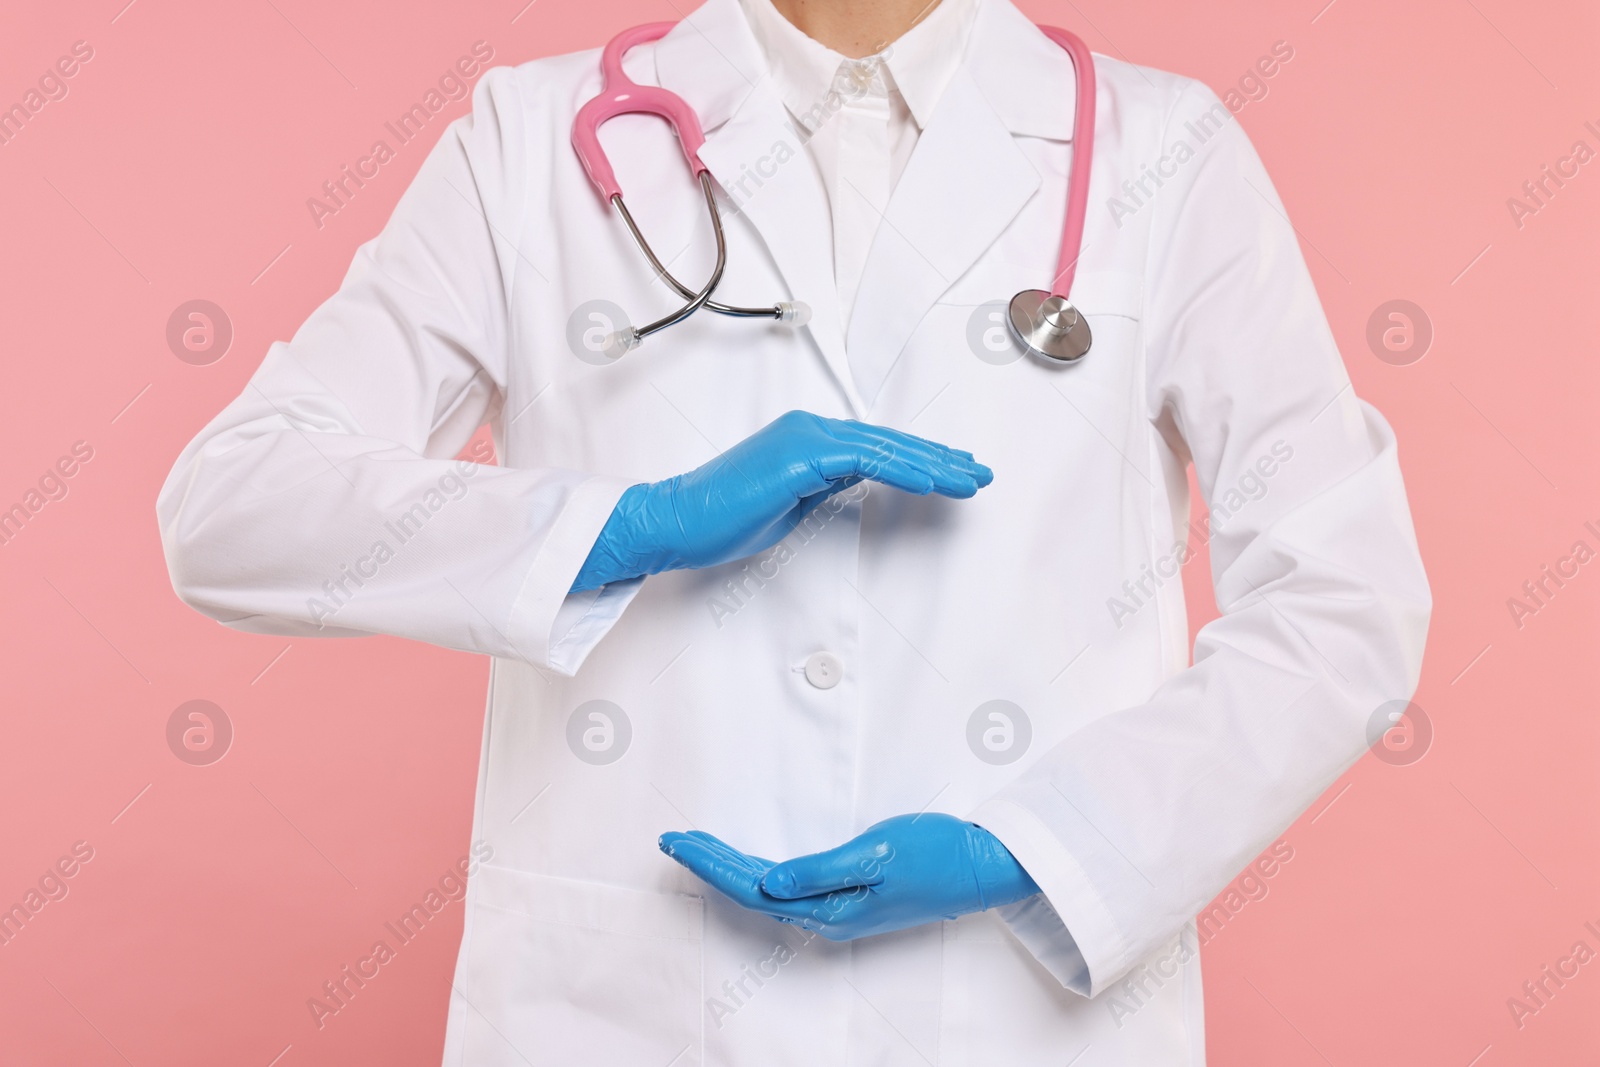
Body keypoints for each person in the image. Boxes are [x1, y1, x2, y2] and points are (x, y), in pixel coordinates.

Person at [156, 0, 1431, 1062]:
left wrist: (1037, 849)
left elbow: (1344, 602)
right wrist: (627, 527)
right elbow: (233, 503)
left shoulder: (1169, 156)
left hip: (1006, 1008)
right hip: (625, 1009)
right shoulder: (531, 141)